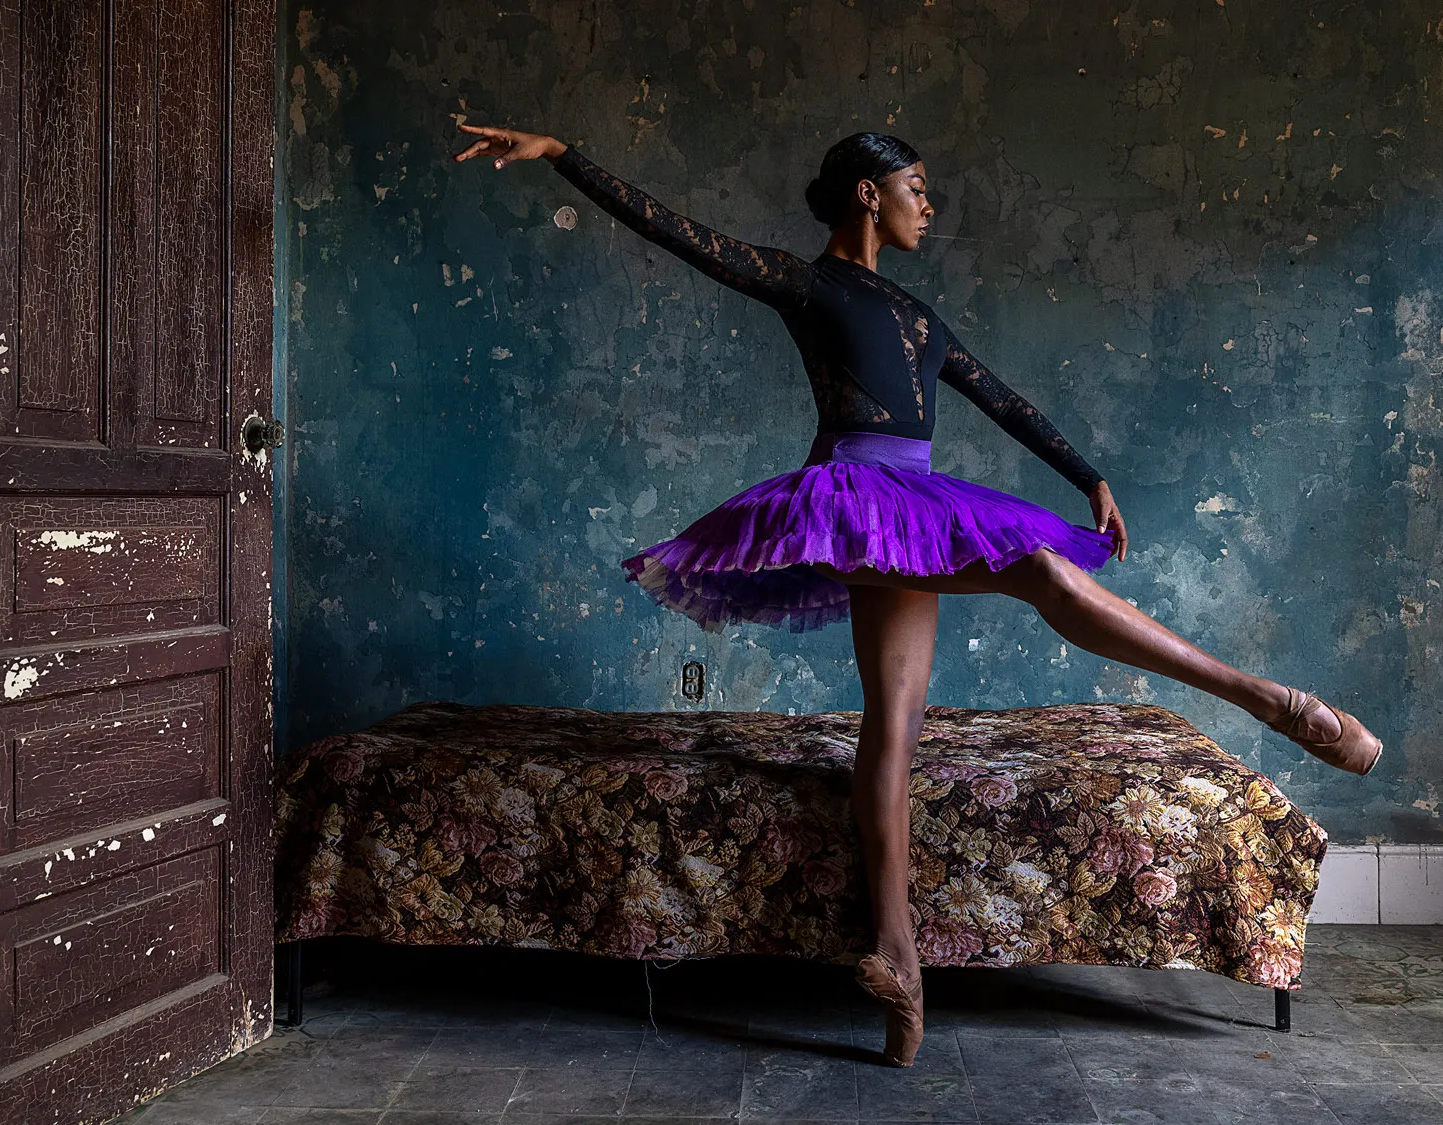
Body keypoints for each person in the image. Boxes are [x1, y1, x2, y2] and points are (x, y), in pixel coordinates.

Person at [454, 124, 1382, 1068]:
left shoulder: (923, 318)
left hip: (916, 505)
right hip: (857, 497)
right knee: (1046, 575)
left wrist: (1089, 473)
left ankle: (896, 959)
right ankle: (1270, 698)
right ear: (868, 194)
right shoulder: (807, 282)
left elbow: (1004, 400)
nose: (928, 205)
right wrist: (564, 155)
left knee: (895, 721)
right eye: (916, 187)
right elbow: (681, 234)